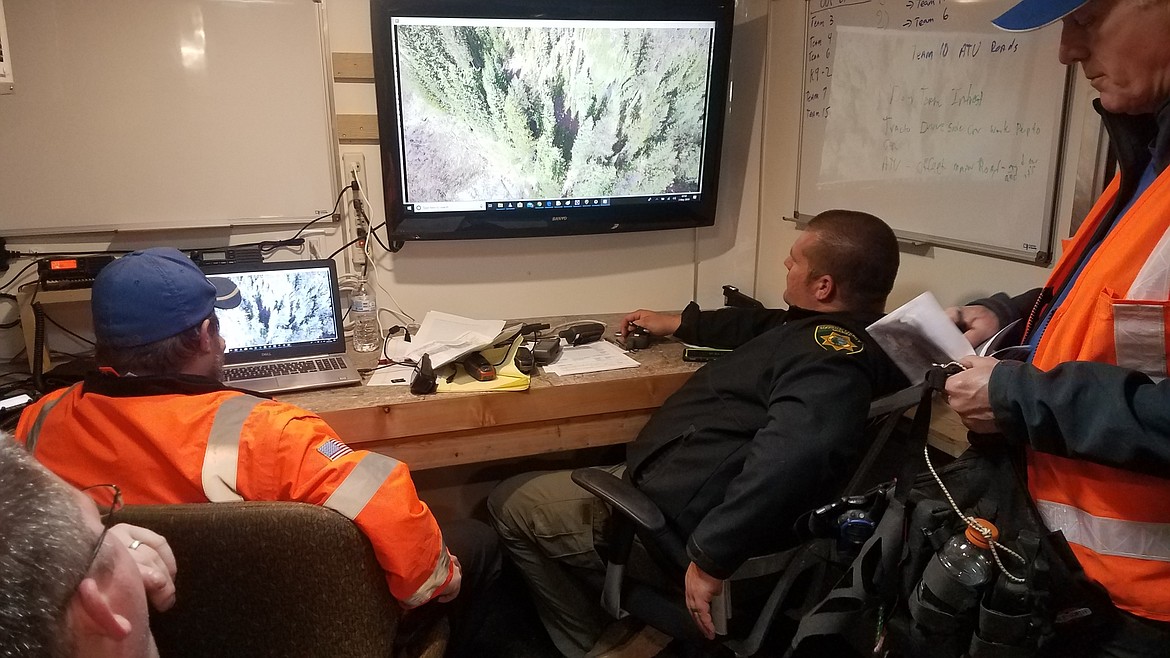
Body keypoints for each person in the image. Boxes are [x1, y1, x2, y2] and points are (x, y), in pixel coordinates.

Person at [12, 247, 500, 657]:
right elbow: (388, 503)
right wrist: (442, 582)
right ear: (205, 335)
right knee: (476, 541)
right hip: (284, 631)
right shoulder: (269, 431)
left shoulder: (38, 422)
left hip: (139, 635)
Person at [489, 210, 908, 657]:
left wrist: (711, 557)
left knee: (510, 501)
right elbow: (766, 326)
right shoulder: (850, 336)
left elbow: (799, 453)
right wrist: (678, 323)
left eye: (794, 261)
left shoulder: (828, 362)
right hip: (708, 501)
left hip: (672, 526)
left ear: (823, 287)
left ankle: (590, 644)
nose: (786, 266)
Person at [942, 0, 1170, 652]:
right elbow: (1125, 304)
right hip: (1071, 579)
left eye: (1085, 19)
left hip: (1146, 613)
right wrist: (1011, 315)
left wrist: (1019, 396)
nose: (1068, 52)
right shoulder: (1146, 157)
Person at [0, 433, 178, 658]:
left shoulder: (38, 418)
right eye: (104, 527)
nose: (118, 535)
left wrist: (98, 557)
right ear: (101, 610)